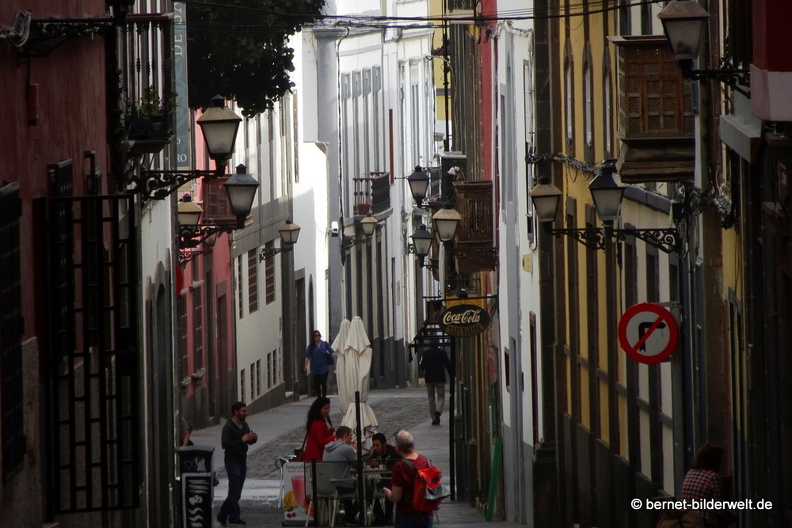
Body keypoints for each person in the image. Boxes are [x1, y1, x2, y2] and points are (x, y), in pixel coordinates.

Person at [217, 402, 257, 527]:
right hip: (232, 461)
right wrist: (241, 440)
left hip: (242, 460)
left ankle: (223, 515)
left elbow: (247, 442)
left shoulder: (244, 424)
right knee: (234, 490)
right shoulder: (228, 426)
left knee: (237, 492)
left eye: (246, 411)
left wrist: (253, 439)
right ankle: (235, 516)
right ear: (236, 411)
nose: (246, 413)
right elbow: (225, 444)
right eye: (243, 411)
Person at [383, 430, 435, 528]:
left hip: (408, 515)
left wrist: (388, 493)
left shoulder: (400, 466)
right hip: (426, 514)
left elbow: (396, 497)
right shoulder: (424, 460)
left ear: (398, 447)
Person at [679, 443, 733, 528]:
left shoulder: (690, 473)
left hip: (687, 522)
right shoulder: (713, 477)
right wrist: (734, 516)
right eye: (720, 461)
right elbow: (720, 509)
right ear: (714, 461)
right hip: (705, 524)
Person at [323, 426, 361, 526]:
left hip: (327, 486)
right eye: (350, 436)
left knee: (348, 482)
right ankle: (351, 515)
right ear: (345, 436)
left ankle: (348, 516)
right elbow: (359, 466)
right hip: (341, 486)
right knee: (365, 488)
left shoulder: (327, 448)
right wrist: (356, 449)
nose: (351, 439)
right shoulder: (347, 448)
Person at [366, 433, 400, 525]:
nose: (375, 448)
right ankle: (380, 515)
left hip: (394, 481)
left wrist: (379, 465)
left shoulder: (393, 452)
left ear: (384, 444)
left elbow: (393, 469)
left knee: (387, 488)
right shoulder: (375, 453)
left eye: (377, 445)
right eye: (374, 445)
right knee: (367, 490)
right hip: (382, 480)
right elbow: (370, 463)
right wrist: (371, 464)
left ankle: (387, 517)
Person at [419, 346, 453, 425]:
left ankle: (434, 419)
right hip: (440, 378)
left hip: (429, 379)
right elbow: (448, 364)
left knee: (431, 398)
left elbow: (422, 366)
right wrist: (452, 375)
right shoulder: (442, 353)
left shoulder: (426, 353)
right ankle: (438, 411)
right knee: (441, 396)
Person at [303, 396, 335, 462]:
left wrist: (330, 431)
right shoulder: (318, 423)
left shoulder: (319, 421)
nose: (328, 411)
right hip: (315, 458)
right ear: (319, 409)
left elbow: (321, 434)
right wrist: (333, 436)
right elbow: (322, 443)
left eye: (329, 408)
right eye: (326, 408)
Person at [304, 329, 334, 397]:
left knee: (323, 383)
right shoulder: (311, 346)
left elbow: (331, 352)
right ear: (313, 337)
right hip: (315, 369)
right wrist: (306, 365)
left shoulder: (325, 344)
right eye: (315, 336)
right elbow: (307, 356)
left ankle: (323, 396)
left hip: (324, 368)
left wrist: (329, 355)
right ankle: (319, 397)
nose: (317, 337)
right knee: (316, 385)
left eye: (318, 335)